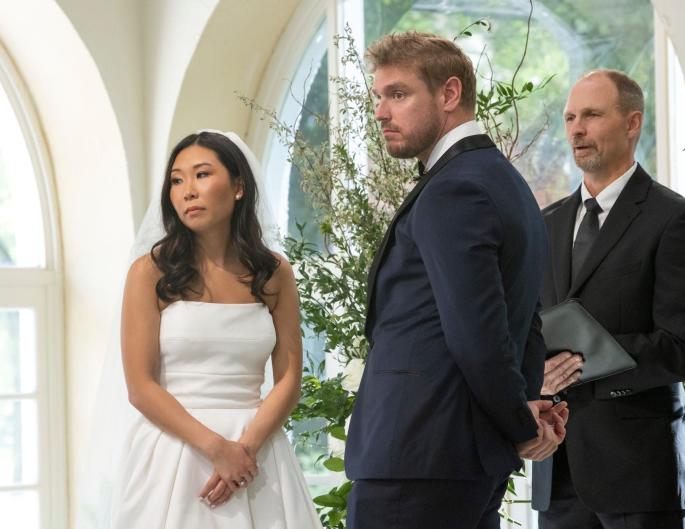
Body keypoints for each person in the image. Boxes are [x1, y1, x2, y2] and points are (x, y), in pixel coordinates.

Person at [344, 32, 568, 529]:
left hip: (418, 456)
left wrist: (519, 421)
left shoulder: (455, 189)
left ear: (448, 94)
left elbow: (478, 335)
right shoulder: (506, 183)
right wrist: (525, 410)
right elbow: (524, 318)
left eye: (397, 94)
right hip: (462, 458)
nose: (381, 111)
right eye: (377, 96)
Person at [109, 130, 322, 528]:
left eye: (202, 175)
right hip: (175, 454)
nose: (188, 190)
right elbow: (140, 387)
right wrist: (216, 449)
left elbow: (290, 379)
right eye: (177, 180)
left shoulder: (275, 273)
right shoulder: (148, 273)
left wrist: (245, 450)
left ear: (239, 186)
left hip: (257, 452)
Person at [532, 69, 685, 529]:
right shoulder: (544, 224)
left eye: (591, 114)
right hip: (557, 470)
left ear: (632, 123)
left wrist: (587, 365)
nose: (576, 129)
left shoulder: (677, 220)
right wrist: (537, 374)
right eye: (570, 117)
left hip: (643, 474)